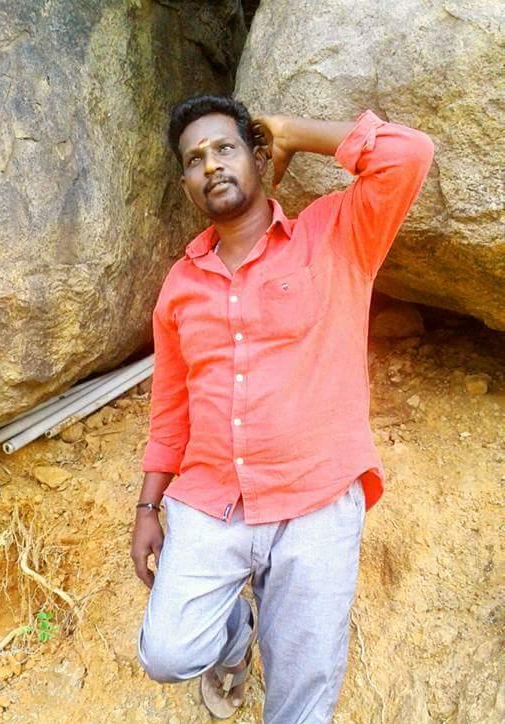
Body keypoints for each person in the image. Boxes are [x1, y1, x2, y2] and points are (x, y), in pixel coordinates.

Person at [131, 94, 434, 723]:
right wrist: (147, 506)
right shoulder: (180, 286)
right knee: (166, 652)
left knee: (302, 696)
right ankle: (234, 638)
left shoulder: (335, 234)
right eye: (194, 159)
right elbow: (171, 406)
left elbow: (409, 154)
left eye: (225, 148)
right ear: (186, 185)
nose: (211, 165)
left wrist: (294, 130)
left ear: (259, 157)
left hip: (315, 500)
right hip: (213, 500)